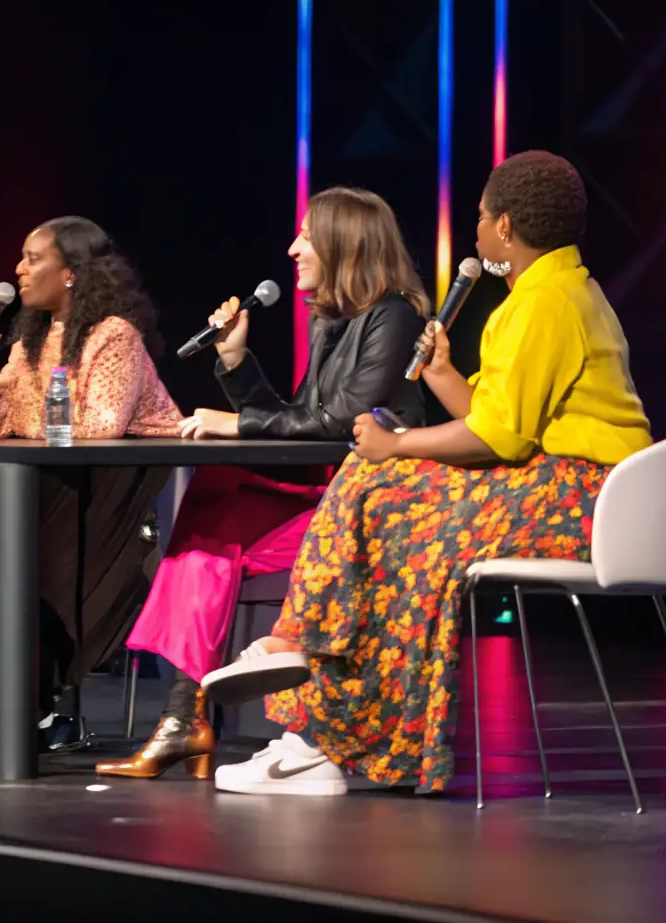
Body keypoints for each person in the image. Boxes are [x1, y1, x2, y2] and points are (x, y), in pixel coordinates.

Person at [200, 151, 653, 797]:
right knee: (393, 518)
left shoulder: (543, 302)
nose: (473, 233)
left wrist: (398, 442)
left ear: (504, 226)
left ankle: (303, 668)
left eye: (477, 219)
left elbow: (497, 437)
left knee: (378, 487)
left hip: (584, 496)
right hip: (564, 486)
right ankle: (323, 728)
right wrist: (442, 376)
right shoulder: (553, 292)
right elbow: (501, 418)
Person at [94, 186, 430, 780]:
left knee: (214, 521)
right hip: (329, 494)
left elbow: (339, 423)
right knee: (215, 507)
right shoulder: (334, 321)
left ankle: (184, 718)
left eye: (307, 236)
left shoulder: (395, 316)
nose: (294, 247)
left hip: (372, 508)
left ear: (343, 244)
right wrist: (235, 361)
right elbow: (298, 426)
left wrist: (237, 421)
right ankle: (185, 718)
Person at [0, 216, 181, 738]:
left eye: (33, 259)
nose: (18, 270)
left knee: (28, 543)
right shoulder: (32, 339)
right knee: (6, 530)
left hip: (121, 485)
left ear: (72, 273)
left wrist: (26, 420)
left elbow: (102, 426)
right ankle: (31, 700)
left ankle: (41, 701)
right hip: (63, 480)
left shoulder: (113, 334)